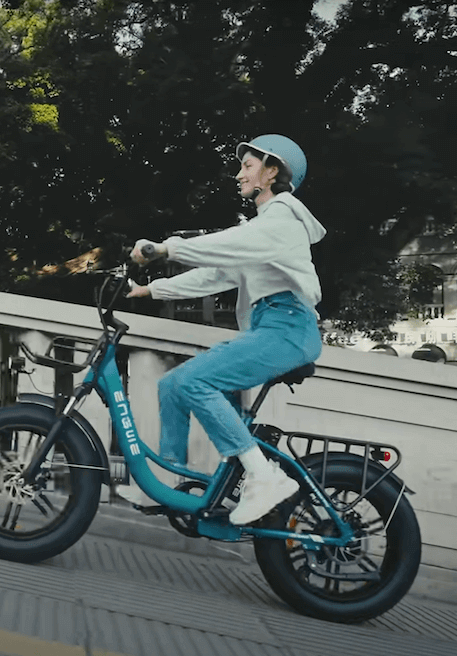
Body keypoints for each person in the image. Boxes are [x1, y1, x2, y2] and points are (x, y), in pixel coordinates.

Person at [124, 134, 326, 525]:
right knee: (173, 384)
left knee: (195, 382)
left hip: (287, 328)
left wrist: (168, 248)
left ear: (272, 172)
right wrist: (148, 289)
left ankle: (262, 476)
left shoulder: (283, 215)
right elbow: (216, 275)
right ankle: (169, 482)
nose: (239, 174)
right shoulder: (263, 229)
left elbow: (229, 245)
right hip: (269, 327)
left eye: (248, 166)